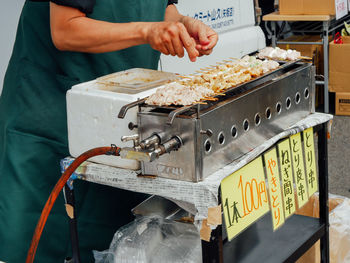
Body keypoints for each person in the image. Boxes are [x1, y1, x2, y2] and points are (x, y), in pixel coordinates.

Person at [0, 0, 218, 262]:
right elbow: (65, 30)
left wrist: (182, 24)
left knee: (110, 240)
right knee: (44, 239)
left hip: (118, 110)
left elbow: (161, 8)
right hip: (51, 112)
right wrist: (149, 32)